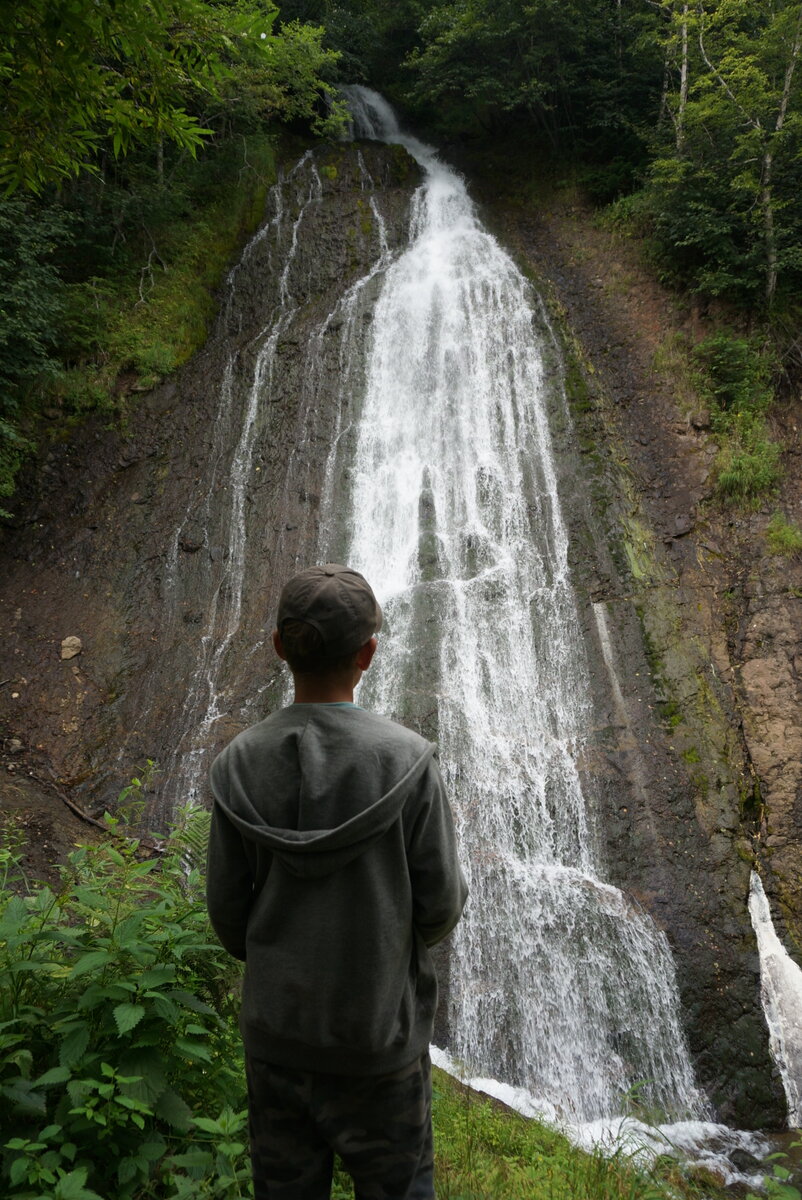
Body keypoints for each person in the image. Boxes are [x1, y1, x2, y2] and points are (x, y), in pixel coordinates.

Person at [206, 562, 468, 1200]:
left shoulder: (238, 763)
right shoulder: (407, 761)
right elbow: (440, 904)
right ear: (369, 653)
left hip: (278, 1040)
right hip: (378, 1042)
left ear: (279, 648)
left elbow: (227, 915)